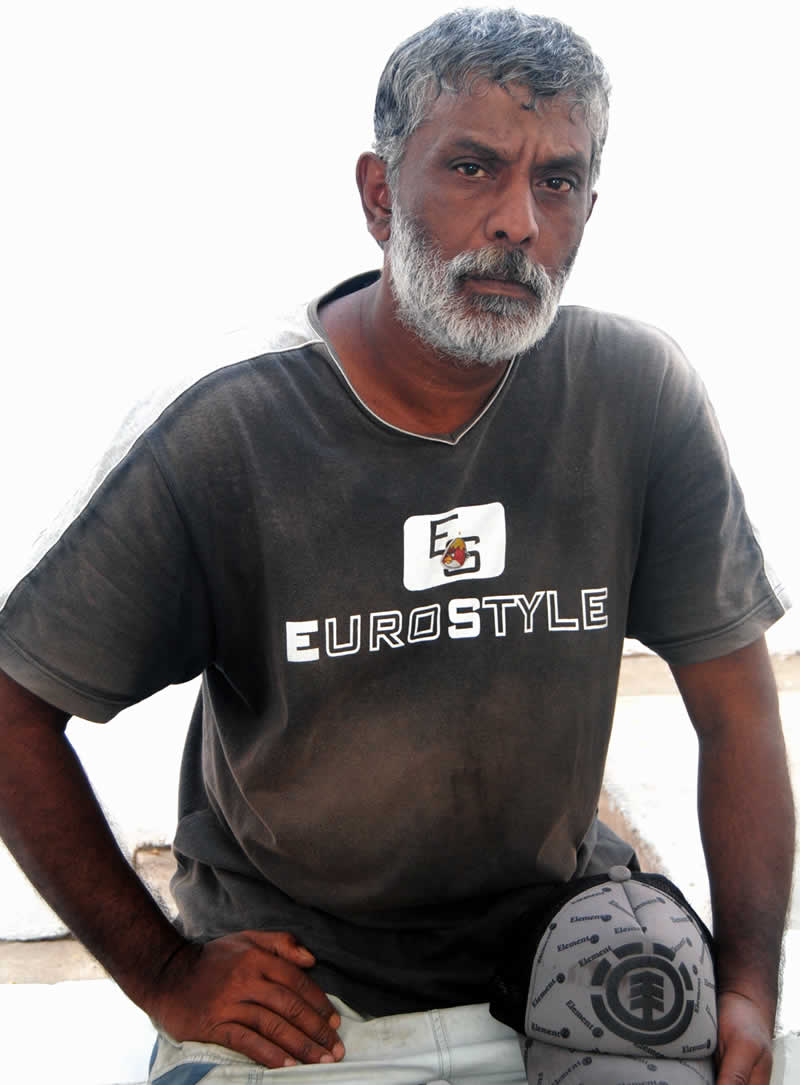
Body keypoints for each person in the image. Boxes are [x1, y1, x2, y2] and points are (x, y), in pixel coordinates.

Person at [0, 8, 793, 1084]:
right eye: (472, 168)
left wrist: (749, 984)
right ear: (379, 194)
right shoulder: (228, 430)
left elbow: (738, 710)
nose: (517, 221)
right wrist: (164, 969)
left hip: (557, 953)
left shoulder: (633, 394)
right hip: (305, 996)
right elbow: (13, 707)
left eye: (557, 182)